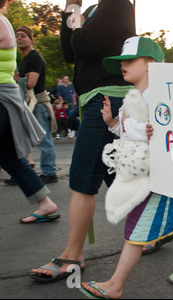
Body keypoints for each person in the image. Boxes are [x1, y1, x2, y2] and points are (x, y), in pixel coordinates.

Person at [79, 37, 173, 299]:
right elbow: (127, 131)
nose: (123, 65)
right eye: (122, 61)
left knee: (137, 227)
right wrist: (113, 122)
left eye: (129, 60)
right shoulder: (133, 96)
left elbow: (163, 130)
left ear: (150, 64)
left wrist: (143, 128)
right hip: (145, 172)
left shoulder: (161, 96)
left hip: (155, 176)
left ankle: (115, 285)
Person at [30, 0, 137, 283]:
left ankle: (73, 255)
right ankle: (156, 232)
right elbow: (71, 51)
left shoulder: (117, 4)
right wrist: (71, 10)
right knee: (119, 177)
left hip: (107, 98)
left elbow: (87, 46)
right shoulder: (94, 10)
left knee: (83, 176)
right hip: (97, 99)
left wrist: (78, 27)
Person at [0, 0, 59, 223]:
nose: (19, 37)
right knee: (10, 156)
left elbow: (31, 82)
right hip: (9, 96)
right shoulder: (5, 21)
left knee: (34, 147)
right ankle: (45, 202)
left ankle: (48, 178)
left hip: (4, 97)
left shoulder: (1, 22)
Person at [15, 25, 58, 184]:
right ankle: (22, 172)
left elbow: (31, 82)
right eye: (17, 35)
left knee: (43, 139)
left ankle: (49, 172)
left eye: (23, 36)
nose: (19, 38)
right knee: (23, 139)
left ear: (31, 39)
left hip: (38, 104)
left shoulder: (35, 57)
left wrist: (16, 78)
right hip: (29, 104)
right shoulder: (25, 59)